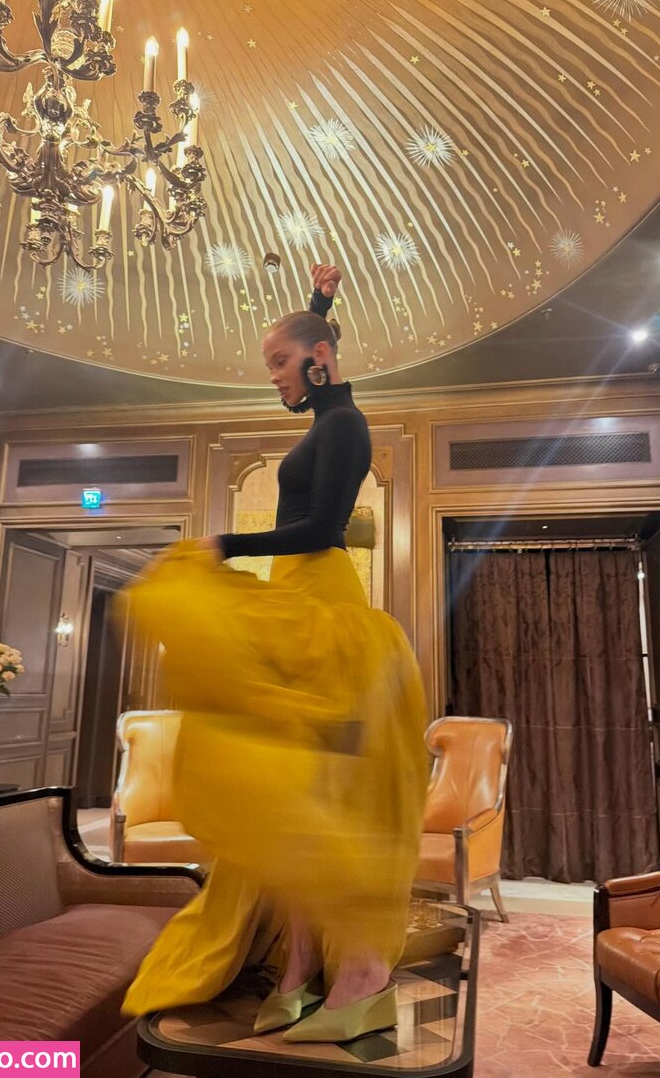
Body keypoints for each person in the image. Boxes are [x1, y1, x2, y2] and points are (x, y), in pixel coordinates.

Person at [120, 264, 429, 1044]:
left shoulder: (347, 425)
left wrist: (225, 542)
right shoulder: (326, 417)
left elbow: (322, 528)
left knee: (319, 795)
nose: (273, 378)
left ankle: (361, 976)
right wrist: (319, 303)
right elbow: (316, 345)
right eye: (269, 365)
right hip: (294, 599)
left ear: (319, 359)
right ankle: (299, 965)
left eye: (280, 362)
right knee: (293, 791)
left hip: (324, 604)